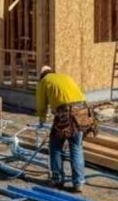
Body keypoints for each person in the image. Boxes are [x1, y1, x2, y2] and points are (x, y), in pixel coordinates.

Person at [35, 65, 96, 193]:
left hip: (65, 114)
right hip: (82, 113)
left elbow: (41, 103)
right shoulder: (65, 77)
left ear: (42, 75)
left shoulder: (44, 81)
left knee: (55, 146)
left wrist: (41, 119)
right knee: (76, 147)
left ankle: (57, 179)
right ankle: (78, 182)